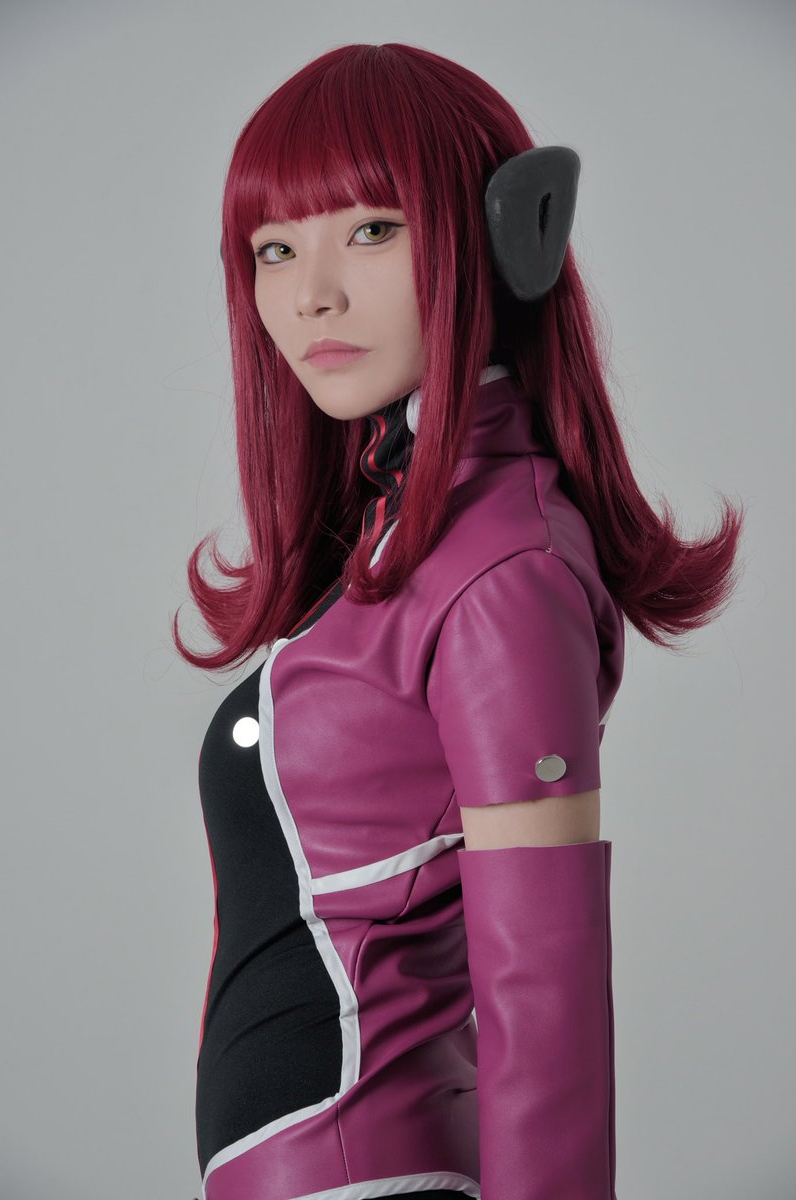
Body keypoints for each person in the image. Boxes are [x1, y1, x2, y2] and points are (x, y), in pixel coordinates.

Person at [173, 42, 746, 1200]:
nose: (311, 293)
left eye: (371, 231)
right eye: (275, 249)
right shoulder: (400, 532)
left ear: (505, 234)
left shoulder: (502, 574)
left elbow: (547, 1002)